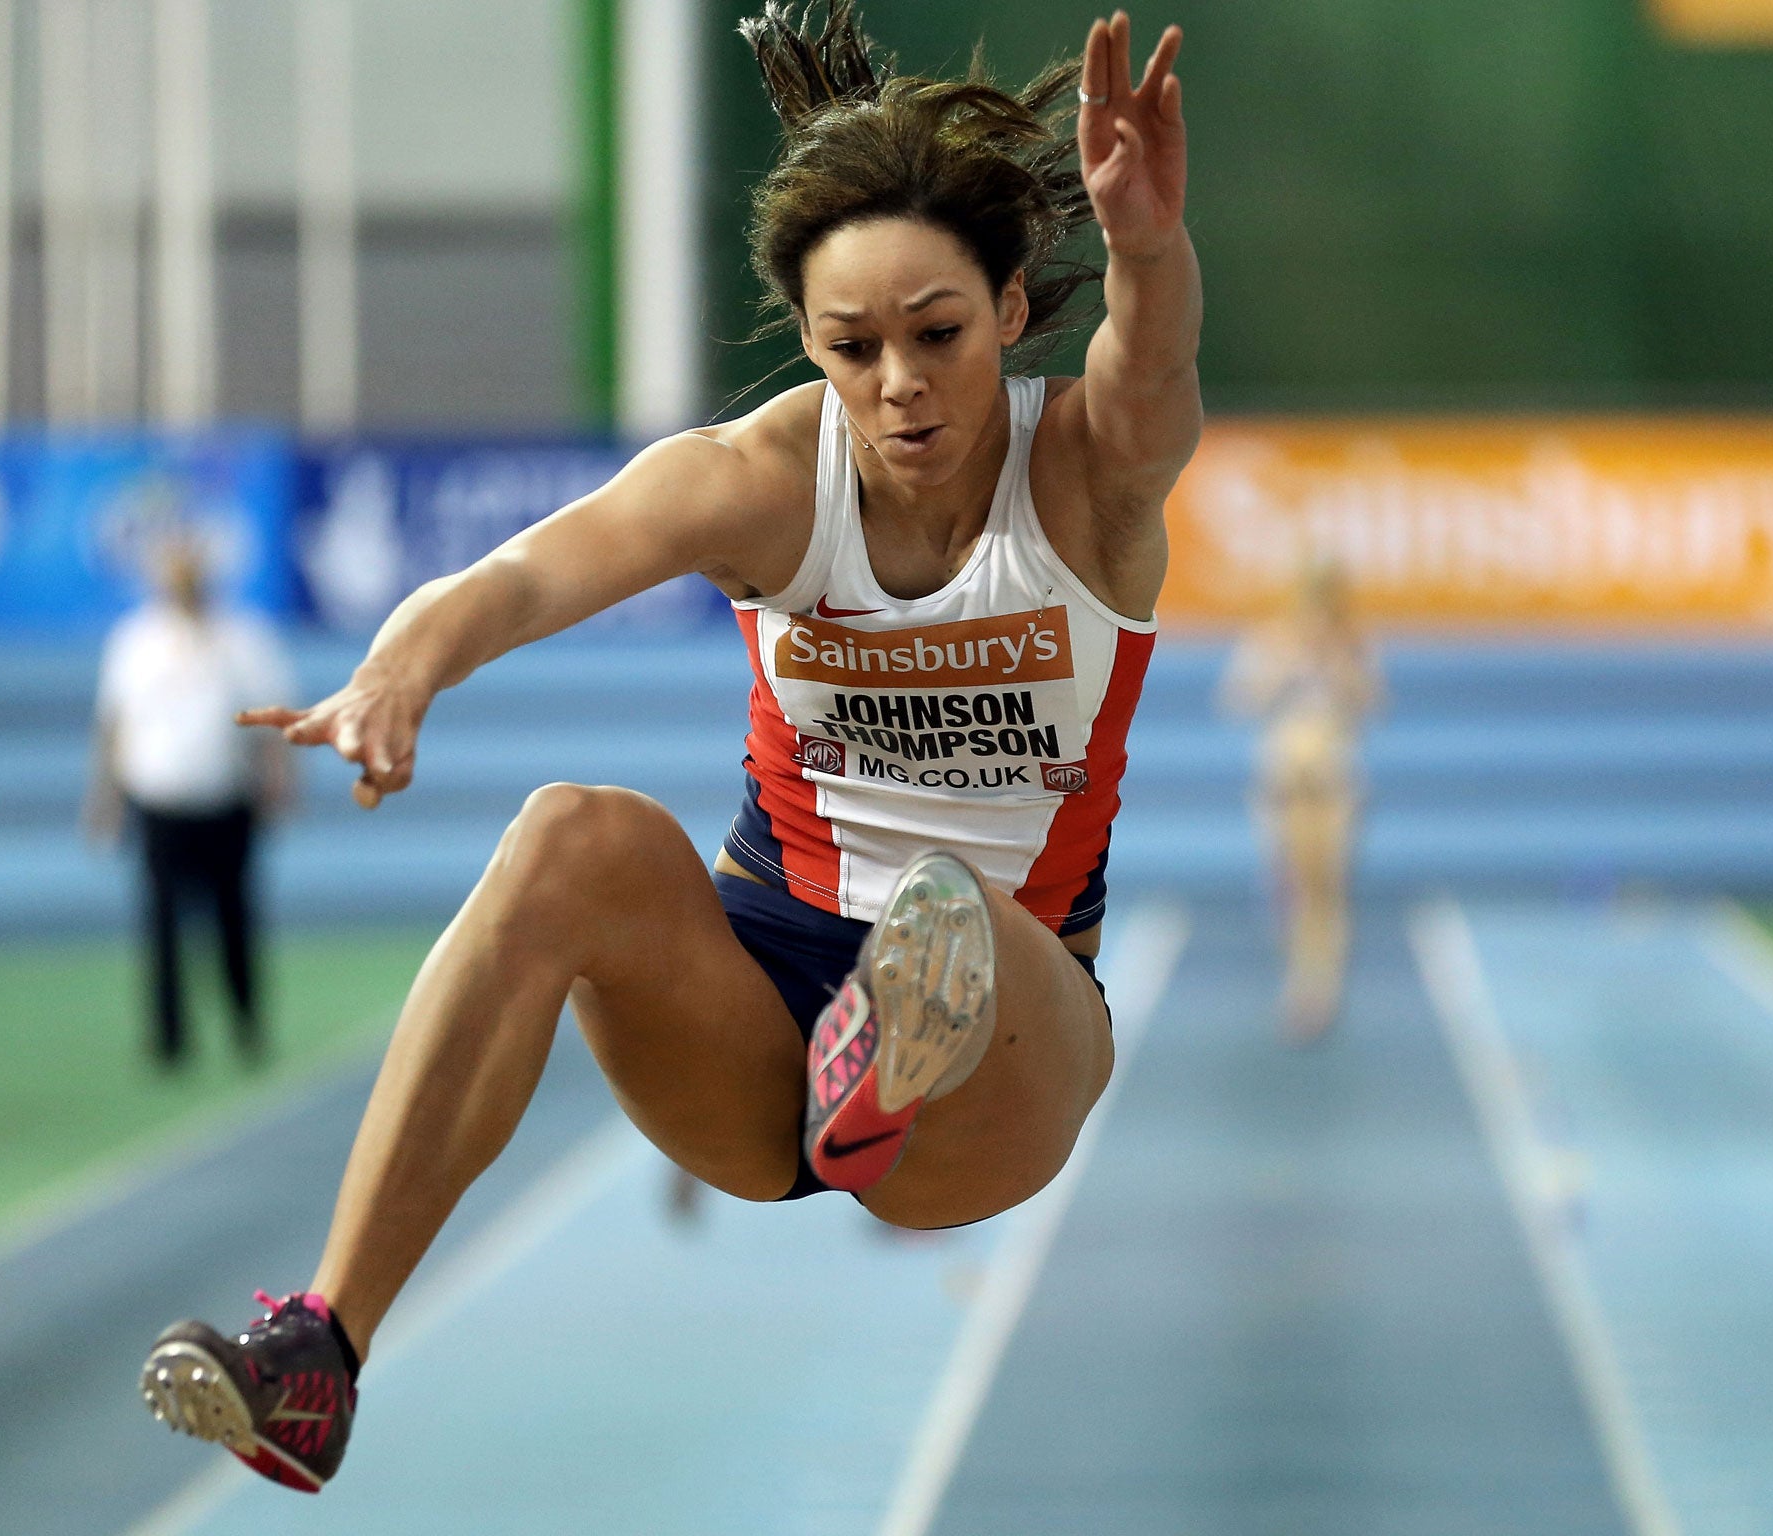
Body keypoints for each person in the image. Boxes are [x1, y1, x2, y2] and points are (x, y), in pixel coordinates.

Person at [137, 3, 1201, 1493]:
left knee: (953, 914)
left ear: (1015, 311)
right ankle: (322, 1352)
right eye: (855, 347)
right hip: (757, 1013)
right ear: (814, 347)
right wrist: (402, 667)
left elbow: (1151, 376)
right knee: (571, 834)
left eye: (938, 335)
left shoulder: (1086, 480)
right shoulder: (765, 479)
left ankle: (892, 1055)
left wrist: (1147, 248)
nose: (899, 384)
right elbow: (524, 573)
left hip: (1004, 1042)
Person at [85, 534, 295, 1068]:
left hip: (226, 799)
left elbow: (270, 721)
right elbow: (113, 725)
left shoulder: (244, 638)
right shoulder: (135, 641)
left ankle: (246, 1025)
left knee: (234, 920)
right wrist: (105, 799)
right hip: (158, 801)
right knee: (161, 924)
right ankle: (169, 1038)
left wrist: (279, 781)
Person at [1218, 559, 1381, 1042]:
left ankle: (1318, 985)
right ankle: (1298, 969)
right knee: (1291, 884)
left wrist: (1336, 663)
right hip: (1283, 781)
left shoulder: (1352, 644)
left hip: (1333, 781)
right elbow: (1237, 701)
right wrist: (1286, 667)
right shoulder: (1271, 641)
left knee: (1327, 885)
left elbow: (1372, 704)